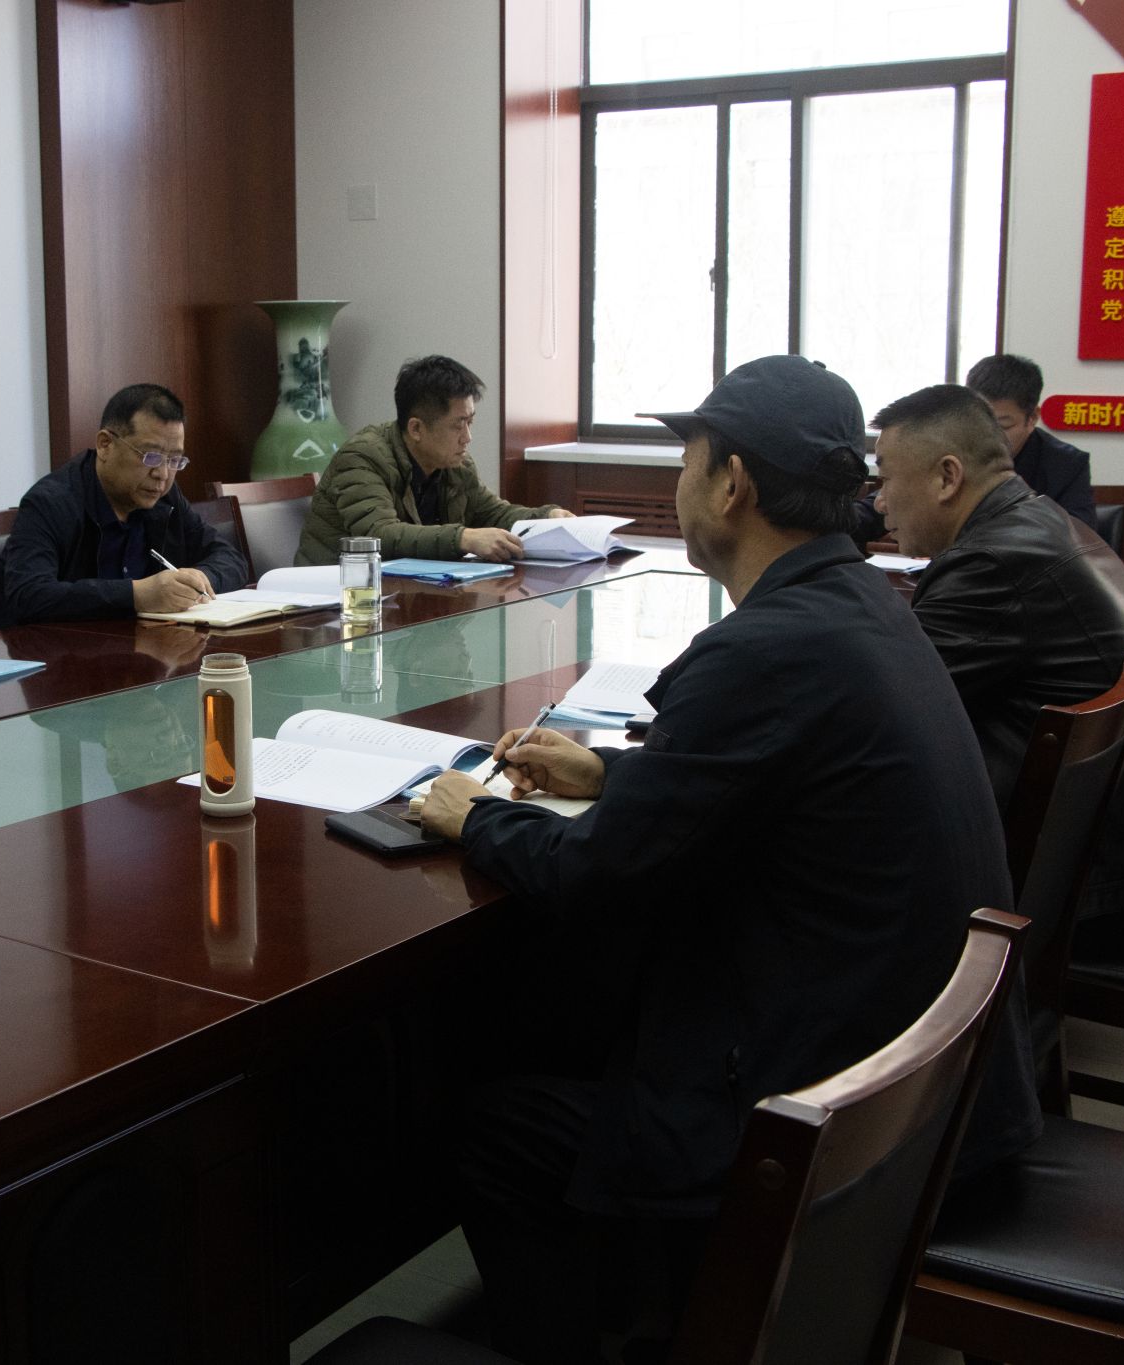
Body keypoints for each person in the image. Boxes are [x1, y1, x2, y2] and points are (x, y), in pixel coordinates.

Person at [416, 355, 1040, 1365]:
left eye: (686, 460)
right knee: (578, 1022)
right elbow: (765, 785)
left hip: (813, 1121)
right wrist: (613, 772)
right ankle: (646, 1298)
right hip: (913, 1090)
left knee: (496, 1123)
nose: (679, 480)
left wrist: (473, 815)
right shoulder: (860, 601)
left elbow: (594, 877)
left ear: (731, 483)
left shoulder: (761, 650)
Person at [871, 383, 1124, 932]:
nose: (879, 502)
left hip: (1090, 895)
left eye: (884, 479)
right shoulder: (1038, 524)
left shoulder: (992, 564)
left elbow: (882, 710)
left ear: (948, 476)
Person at [0, 383, 247, 624]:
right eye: (151, 456)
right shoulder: (50, 503)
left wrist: (201, 579)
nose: (162, 474)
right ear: (105, 445)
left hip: (138, 648)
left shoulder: (165, 498)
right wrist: (136, 594)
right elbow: (28, 595)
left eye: (174, 460)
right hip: (52, 652)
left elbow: (231, 558)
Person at [294, 355, 571, 565]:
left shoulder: (456, 466)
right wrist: (463, 538)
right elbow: (380, 536)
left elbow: (492, 513)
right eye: (458, 425)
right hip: (335, 599)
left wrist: (546, 517)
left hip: (405, 595)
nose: (467, 437)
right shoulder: (362, 457)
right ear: (416, 428)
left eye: (470, 422)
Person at [965, 353, 1098, 531]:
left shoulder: (1067, 465)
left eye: (1003, 426)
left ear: (1032, 418)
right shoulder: (951, 452)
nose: (988, 436)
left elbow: (1079, 534)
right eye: (978, 422)